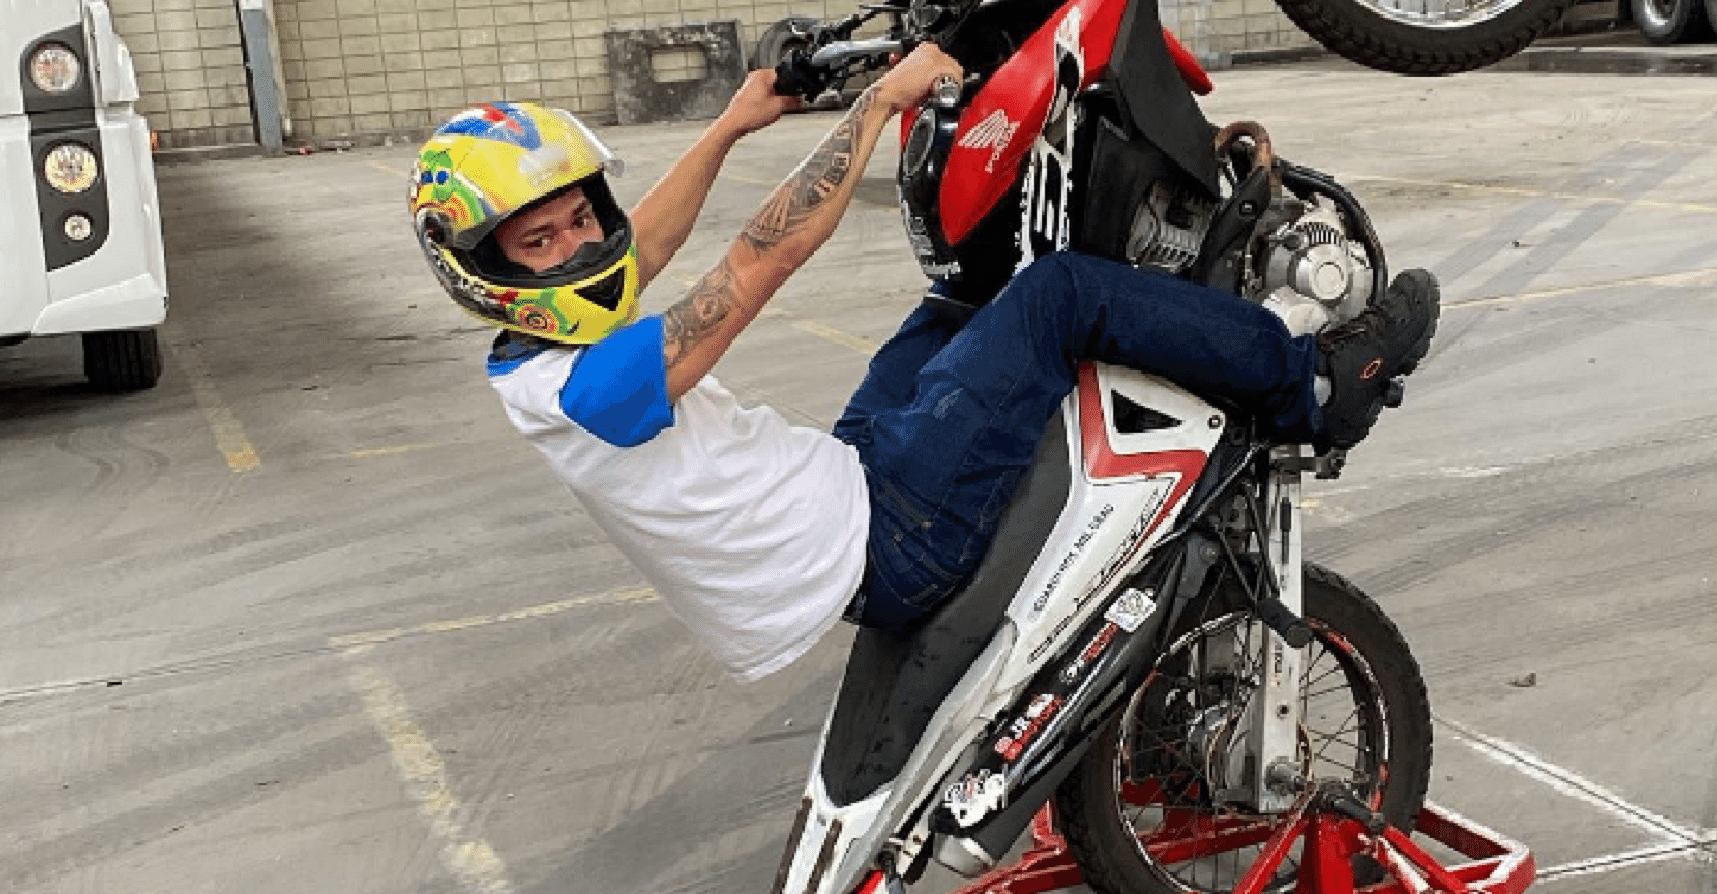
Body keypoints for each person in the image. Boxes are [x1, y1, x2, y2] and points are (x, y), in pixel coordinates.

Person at [408, 45, 1439, 682]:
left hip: (848, 480)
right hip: (892, 540)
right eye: (540, 240)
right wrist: (880, 107)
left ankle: (1189, 333)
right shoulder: (589, 391)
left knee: (965, 297)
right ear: (479, 267)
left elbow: (644, 242)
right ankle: (1307, 385)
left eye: (577, 217)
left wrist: (730, 124)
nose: (580, 245)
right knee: (1059, 294)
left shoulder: (538, 348)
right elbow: (758, 260)